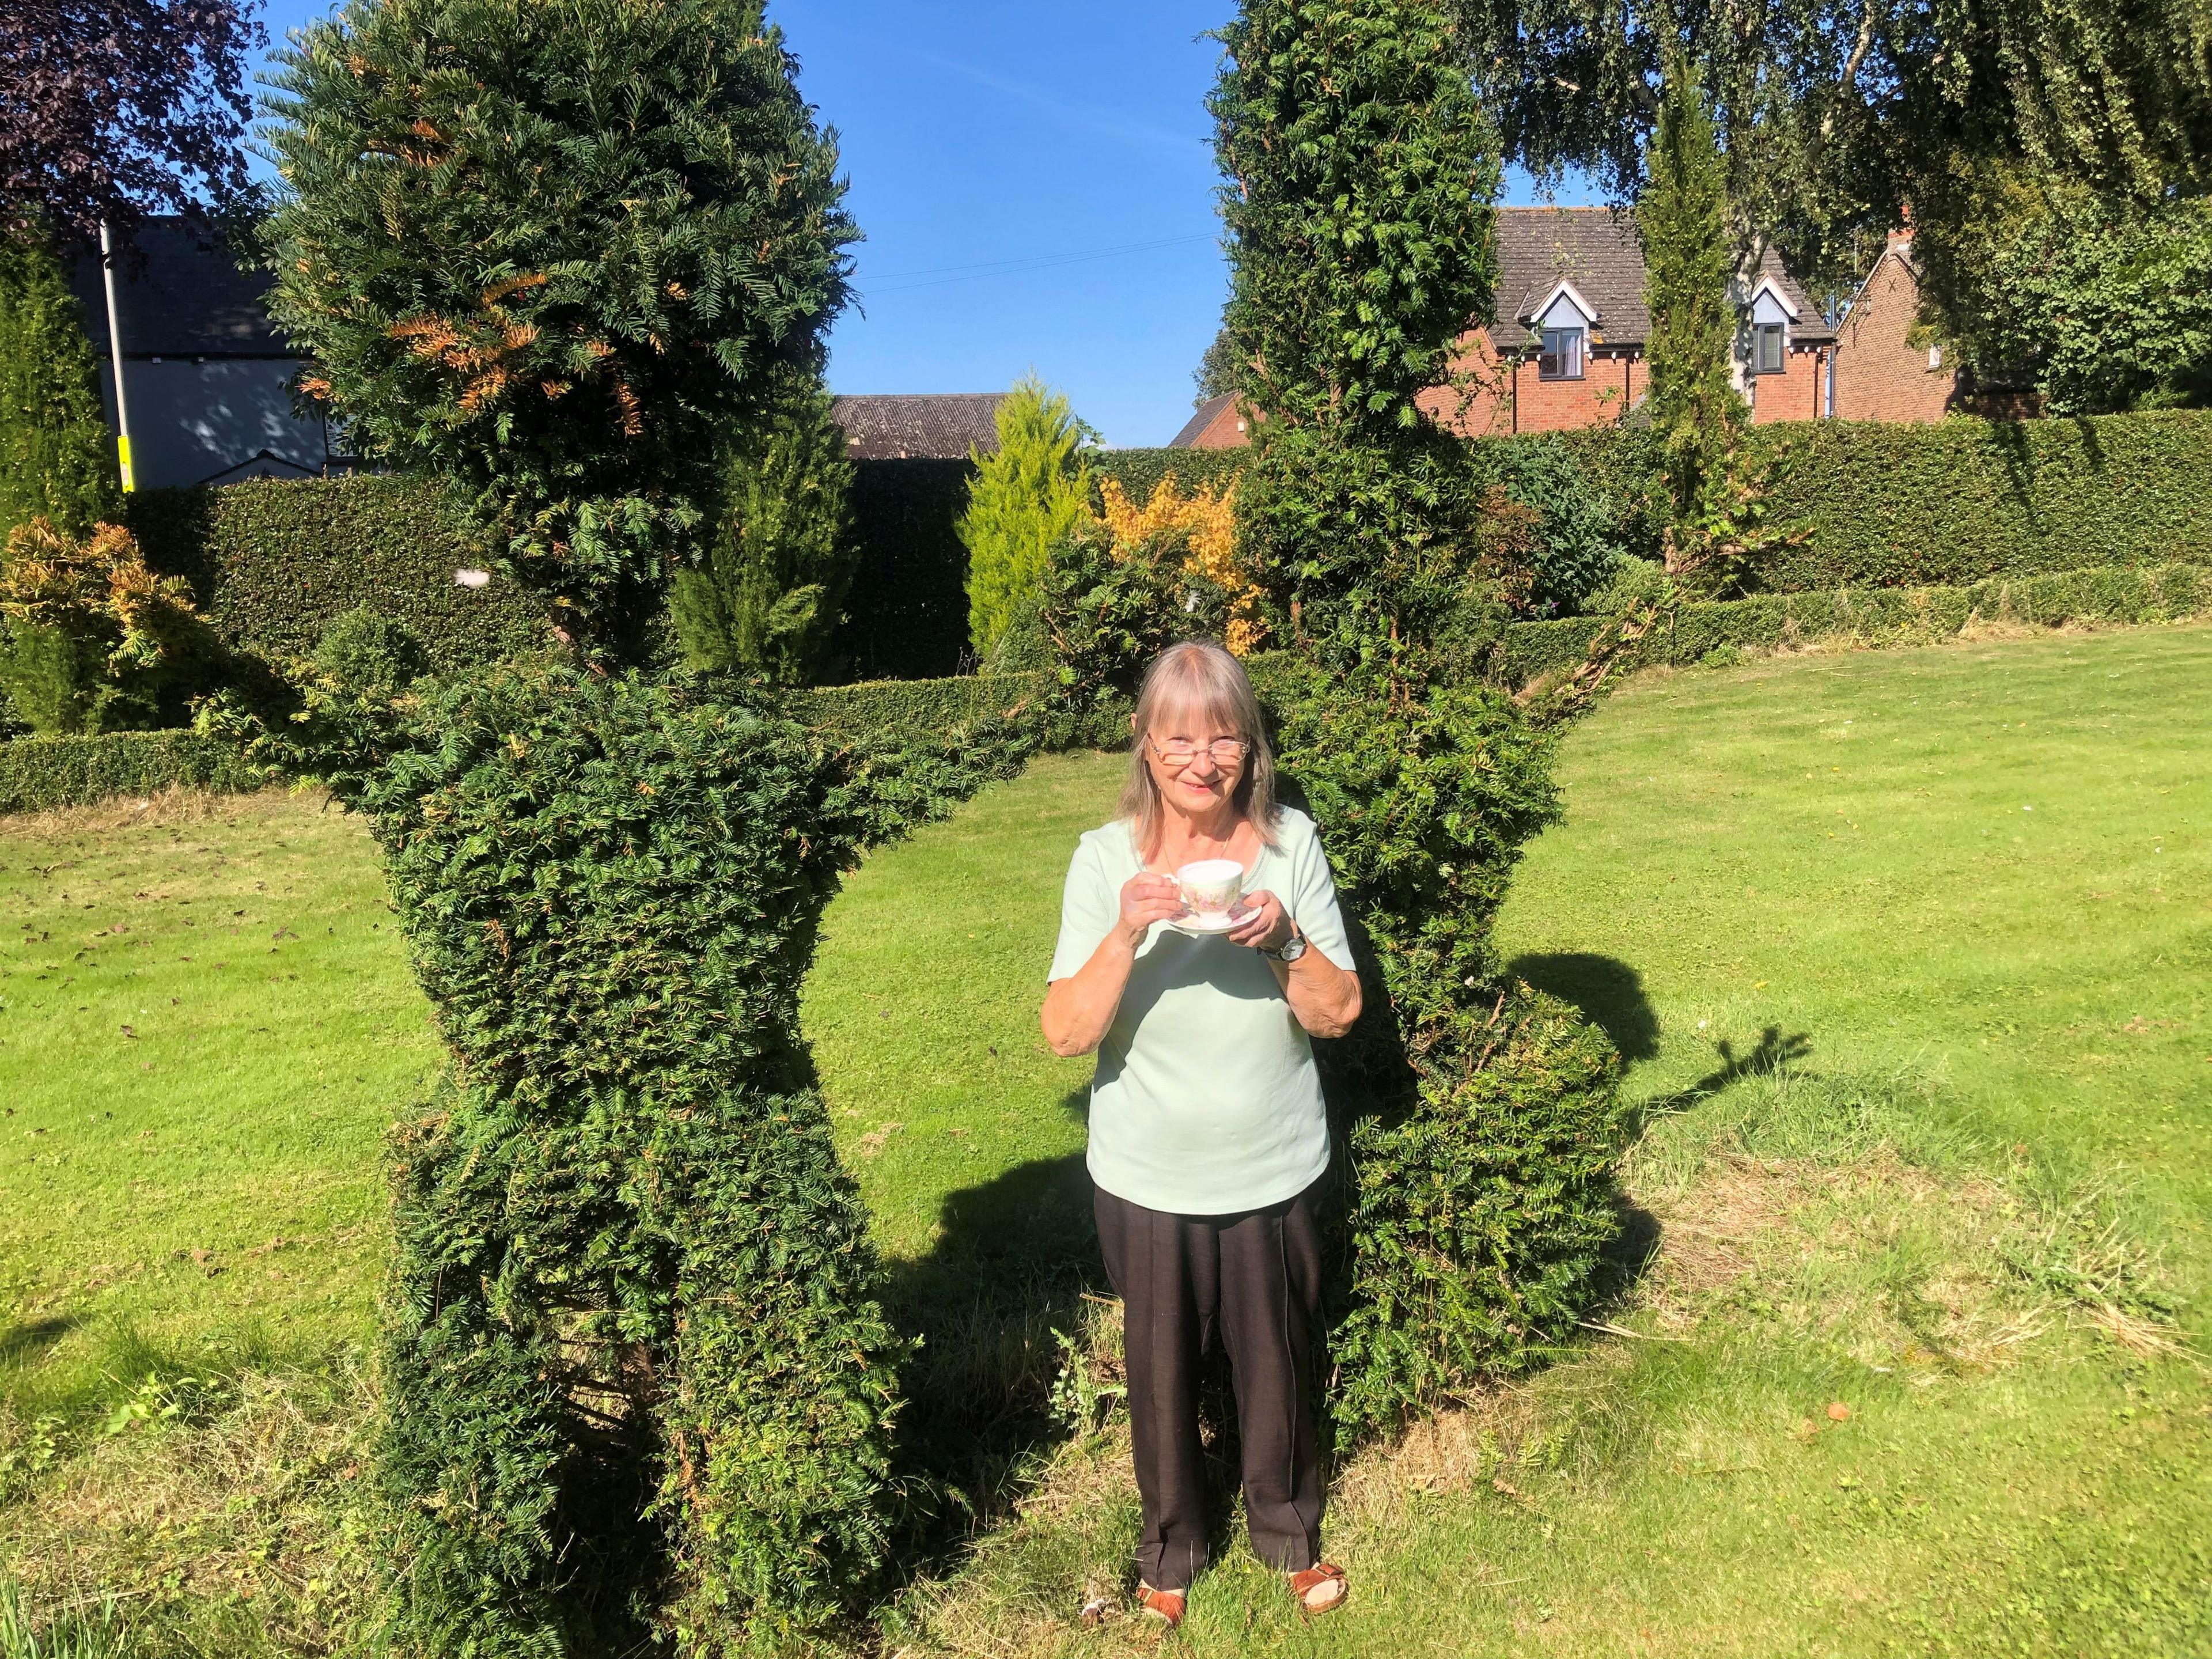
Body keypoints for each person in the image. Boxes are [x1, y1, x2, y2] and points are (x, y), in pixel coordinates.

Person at [1041, 639, 1363, 1629]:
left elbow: (1340, 1013)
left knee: (1278, 1362)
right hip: (1147, 1173)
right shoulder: (1104, 863)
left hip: (1272, 1164)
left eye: (1223, 736)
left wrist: (1285, 939)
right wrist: (1123, 934)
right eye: (1179, 737)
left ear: (1248, 750)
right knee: (1163, 1373)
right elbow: (1064, 1033)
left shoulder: (1290, 847)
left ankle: (1287, 1531)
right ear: (1144, 746)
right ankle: (1172, 1547)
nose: (1201, 758)